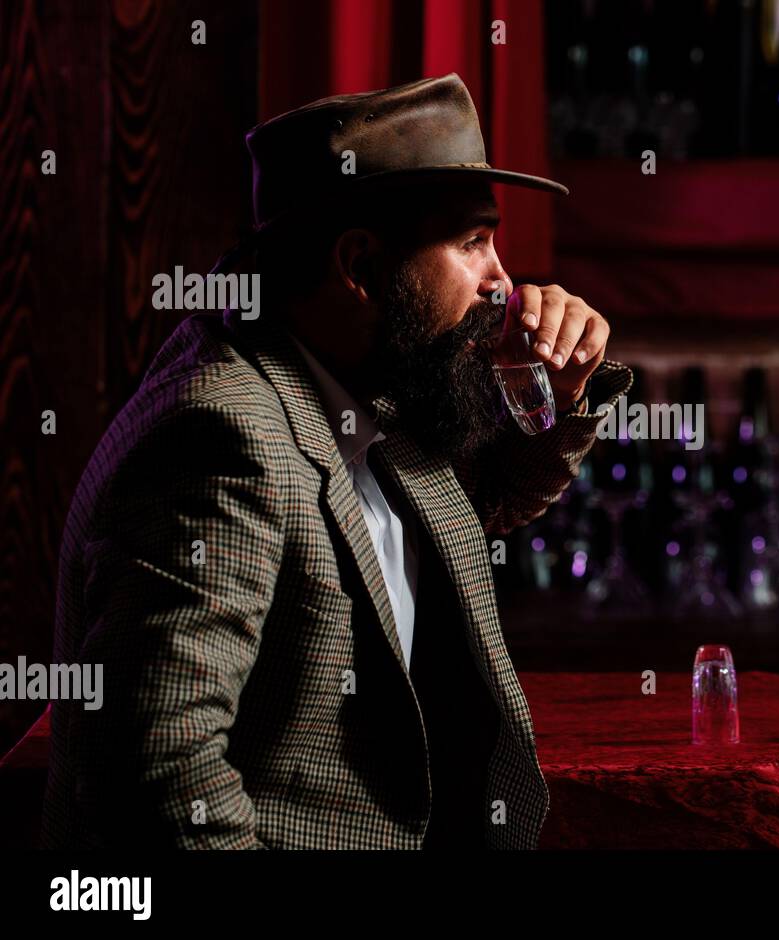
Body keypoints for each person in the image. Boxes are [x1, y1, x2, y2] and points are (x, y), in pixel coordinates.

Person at [41, 73, 631, 849]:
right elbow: (157, 781)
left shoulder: (367, 374)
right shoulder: (223, 437)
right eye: (471, 242)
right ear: (358, 265)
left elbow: (465, 510)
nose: (503, 283)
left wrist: (552, 393)